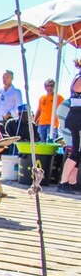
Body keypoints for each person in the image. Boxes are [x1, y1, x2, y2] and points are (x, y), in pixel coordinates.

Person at [56, 60, 81, 193]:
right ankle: (63, 182)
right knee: (75, 152)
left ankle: (72, 182)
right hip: (76, 117)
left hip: (77, 117)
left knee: (78, 152)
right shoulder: (79, 79)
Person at [34, 78, 65, 143]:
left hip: (52, 124)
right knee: (41, 141)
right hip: (42, 123)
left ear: (54, 87)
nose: (49, 88)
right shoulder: (42, 98)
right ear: (45, 87)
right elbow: (39, 110)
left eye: (51, 86)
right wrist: (34, 121)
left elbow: (64, 110)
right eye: (47, 86)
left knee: (50, 141)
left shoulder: (59, 97)